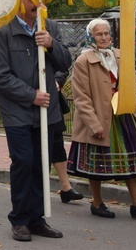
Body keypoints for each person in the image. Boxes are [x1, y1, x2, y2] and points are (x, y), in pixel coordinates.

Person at [0, 0, 71, 241]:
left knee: (40, 164)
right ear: (18, 1)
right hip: (18, 112)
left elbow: (65, 62)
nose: (39, 4)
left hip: (47, 111)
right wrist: (30, 95)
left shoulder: (50, 27)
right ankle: (20, 219)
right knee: (23, 161)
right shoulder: (2, 30)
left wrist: (52, 45)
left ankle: (37, 219)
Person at [67, 18, 136, 219]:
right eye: (99, 34)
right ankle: (97, 202)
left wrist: (128, 94)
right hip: (98, 118)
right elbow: (81, 98)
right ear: (90, 37)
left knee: (130, 160)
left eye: (106, 33)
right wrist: (94, 124)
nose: (104, 37)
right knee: (96, 164)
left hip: (122, 115)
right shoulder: (83, 61)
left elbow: (135, 81)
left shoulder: (118, 55)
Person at [52, 70, 84, 203]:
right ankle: (32, 188)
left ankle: (66, 188)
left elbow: (62, 65)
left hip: (52, 104)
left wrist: (57, 81)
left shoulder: (53, 48)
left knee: (57, 145)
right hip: (28, 105)